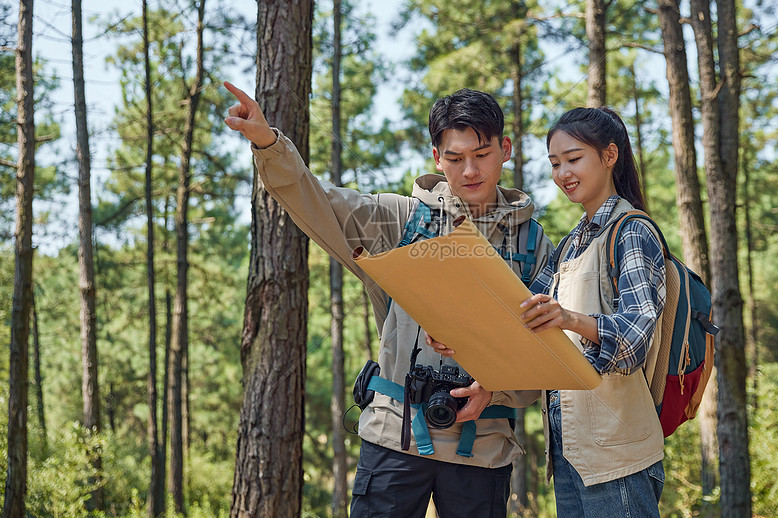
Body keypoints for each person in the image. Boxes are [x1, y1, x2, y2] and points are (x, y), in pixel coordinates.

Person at [223, 81, 552, 518]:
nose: (469, 171)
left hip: (484, 447)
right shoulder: (399, 220)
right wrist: (268, 143)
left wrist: (497, 390)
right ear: (437, 157)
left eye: (482, 155)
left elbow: (547, 353)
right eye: (454, 158)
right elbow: (316, 199)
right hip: (394, 438)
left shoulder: (533, 244)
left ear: (505, 149)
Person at [520, 107, 667, 516]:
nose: (563, 172)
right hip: (568, 452)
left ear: (609, 156)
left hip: (618, 454)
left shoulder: (633, 230)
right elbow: (522, 317)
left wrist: (569, 319)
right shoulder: (569, 244)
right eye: (554, 163)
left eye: (573, 158)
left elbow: (637, 334)